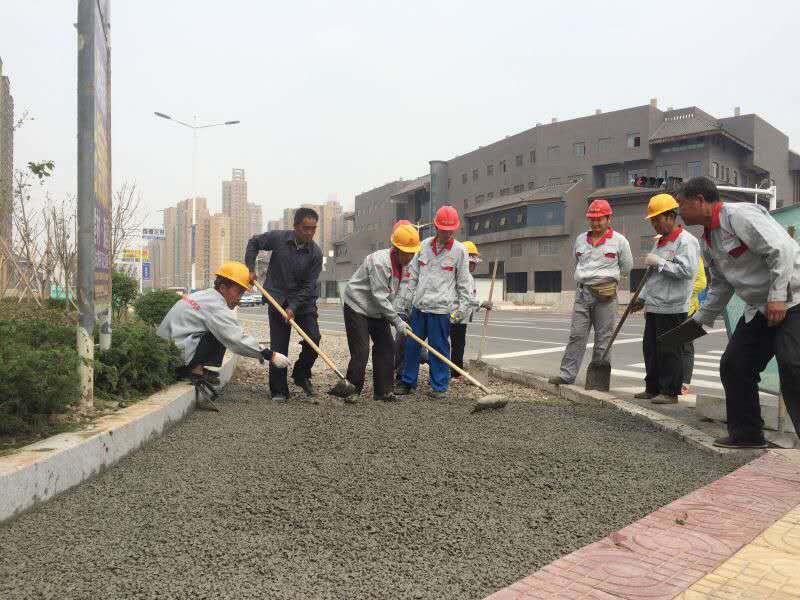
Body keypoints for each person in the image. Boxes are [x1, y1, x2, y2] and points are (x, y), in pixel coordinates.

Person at [677, 176, 800, 449]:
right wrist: (701, 319)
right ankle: (747, 435)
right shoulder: (707, 240)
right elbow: (721, 284)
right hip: (760, 308)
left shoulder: (739, 216)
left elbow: (780, 250)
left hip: (793, 300)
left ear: (700, 200)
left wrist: (777, 296)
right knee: (735, 364)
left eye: (682, 205)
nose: (679, 212)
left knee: (794, 366)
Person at [157, 262, 290, 411]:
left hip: (170, 349)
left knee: (220, 330)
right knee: (221, 333)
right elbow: (236, 339)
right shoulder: (216, 307)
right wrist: (270, 355)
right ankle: (194, 370)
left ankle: (193, 367)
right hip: (174, 355)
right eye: (238, 292)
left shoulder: (206, 296)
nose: (239, 298)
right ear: (222, 288)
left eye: (242, 293)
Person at [548, 199, 633, 386]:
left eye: (599, 219)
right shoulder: (580, 240)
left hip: (606, 297)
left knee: (603, 339)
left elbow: (627, 267)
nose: (595, 223)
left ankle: (597, 382)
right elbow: (576, 263)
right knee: (576, 335)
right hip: (583, 294)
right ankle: (566, 375)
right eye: (592, 219)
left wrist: (608, 281)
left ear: (608, 218)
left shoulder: (620, 241)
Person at [333, 223, 420, 402]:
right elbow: (380, 296)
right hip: (357, 305)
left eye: (412, 253)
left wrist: (399, 316)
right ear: (396, 249)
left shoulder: (405, 265)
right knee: (361, 350)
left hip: (378, 310)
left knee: (387, 346)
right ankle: (352, 390)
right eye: (406, 252)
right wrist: (397, 321)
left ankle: (383, 391)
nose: (410, 257)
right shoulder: (380, 262)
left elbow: (393, 295)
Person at [244, 207, 322, 402]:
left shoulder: (316, 253)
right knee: (279, 345)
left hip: (303, 303)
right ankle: (279, 390)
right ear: (295, 226)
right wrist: (250, 268)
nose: (310, 233)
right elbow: (254, 242)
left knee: (313, 338)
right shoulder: (278, 238)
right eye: (306, 228)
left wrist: (293, 307)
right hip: (277, 298)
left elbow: (308, 285)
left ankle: (301, 374)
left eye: (313, 229)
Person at [396, 205, 471, 399]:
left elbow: (464, 284)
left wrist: (461, 310)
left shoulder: (460, 251)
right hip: (419, 307)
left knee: (439, 348)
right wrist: (406, 302)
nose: (448, 233)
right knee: (411, 346)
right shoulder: (423, 246)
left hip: (441, 310)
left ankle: (439, 386)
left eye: (451, 230)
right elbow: (413, 276)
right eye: (444, 230)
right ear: (436, 227)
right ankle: (407, 382)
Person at [631, 194, 699, 404]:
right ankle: (652, 388)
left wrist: (660, 262)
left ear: (671, 216)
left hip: (673, 307)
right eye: (652, 220)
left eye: (657, 219)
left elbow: (687, 271)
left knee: (670, 351)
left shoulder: (686, 241)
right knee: (651, 349)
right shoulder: (660, 242)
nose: (654, 224)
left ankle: (670, 392)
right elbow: (652, 276)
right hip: (655, 305)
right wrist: (642, 298)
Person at [449, 240, 492, 377]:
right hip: (454, 316)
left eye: (474, 263)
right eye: (471, 263)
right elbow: (465, 299)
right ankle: (455, 372)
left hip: (461, 318)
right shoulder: (462, 276)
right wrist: (481, 303)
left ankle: (455, 371)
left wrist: (479, 304)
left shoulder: (469, 277)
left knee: (458, 345)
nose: (473, 265)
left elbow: (469, 298)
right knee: (456, 345)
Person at [682, 256, 707, 395]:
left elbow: (701, 283)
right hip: (668, 309)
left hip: (689, 309)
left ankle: (684, 383)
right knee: (668, 346)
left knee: (686, 347)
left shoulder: (695, 256)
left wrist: (680, 292)